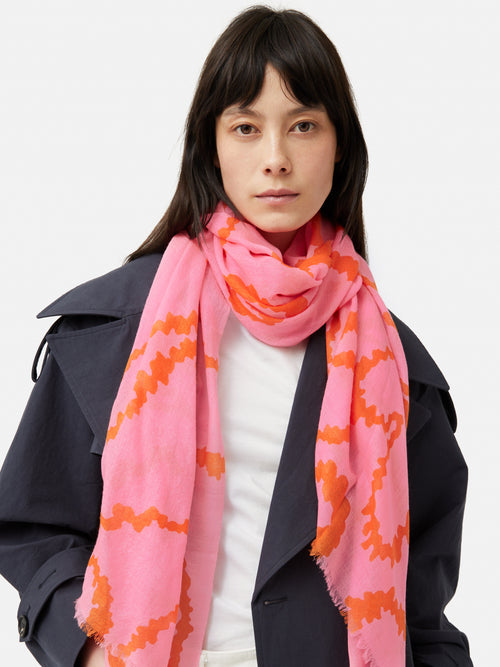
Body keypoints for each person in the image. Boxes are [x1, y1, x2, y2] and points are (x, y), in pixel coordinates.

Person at [0, 6, 473, 667]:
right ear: (212, 145)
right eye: (246, 127)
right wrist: (88, 652)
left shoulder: (396, 369)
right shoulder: (115, 328)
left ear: (341, 146)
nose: (276, 159)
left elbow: (421, 609)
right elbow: (33, 524)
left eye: (303, 125)